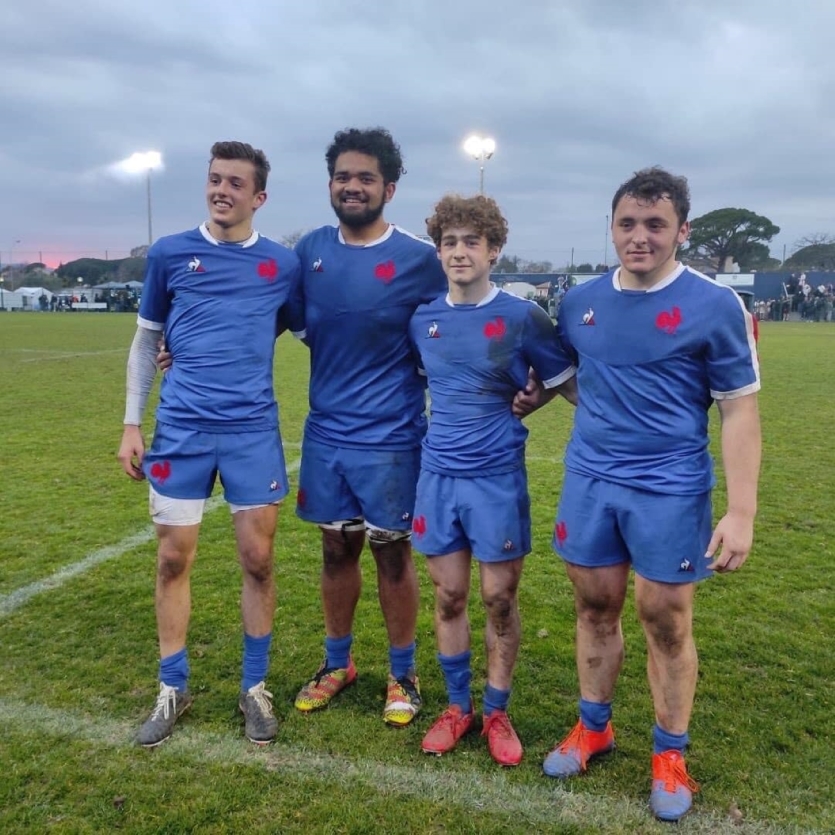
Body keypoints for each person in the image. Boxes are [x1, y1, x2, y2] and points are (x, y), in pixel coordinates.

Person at [539, 167, 761, 821]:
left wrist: (741, 510)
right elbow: (568, 376)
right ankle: (593, 727)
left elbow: (739, 411)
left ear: (681, 230)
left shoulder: (715, 304)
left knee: (664, 616)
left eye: (655, 224)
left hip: (670, 486)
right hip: (590, 481)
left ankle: (669, 753)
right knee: (594, 606)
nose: (640, 236)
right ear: (611, 227)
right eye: (628, 223)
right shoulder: (579, 300)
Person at [117, 140, 302, 748]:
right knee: (173, 558)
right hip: (181, 431)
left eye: (235, 183)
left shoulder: (282, 264)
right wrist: (131, 424)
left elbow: (296, 327)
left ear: (259, 197)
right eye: (215, 179)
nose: (222, 191)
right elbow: (147, 341)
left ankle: (255, 688)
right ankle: (172, 686)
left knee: (258, 559)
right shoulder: (169, 253)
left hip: (252, 432)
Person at [409, 195, 576, 766]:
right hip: (437, 477)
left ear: (494, 250)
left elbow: (566, 380)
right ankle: (458, 707)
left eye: (471, 242)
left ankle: (497, 710)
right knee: (449, 595)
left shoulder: (522, 316)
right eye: (449, 242)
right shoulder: (422, 320)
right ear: (439, 252)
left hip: (497, 479)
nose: (459, 252)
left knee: (498, 598)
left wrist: (538, 397)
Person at [291, 128, 447, 726]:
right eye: (342, 176)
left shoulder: (419, 259)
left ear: (389, 188)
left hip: (392, 436)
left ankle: (402, 673)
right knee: (335, 549)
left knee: (391, 552)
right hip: (326, 433)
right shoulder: (310, 250)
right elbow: (274, 317)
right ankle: (338, 664)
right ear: (330, 183)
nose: (352, 186)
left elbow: (455, 323)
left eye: (365, 178)